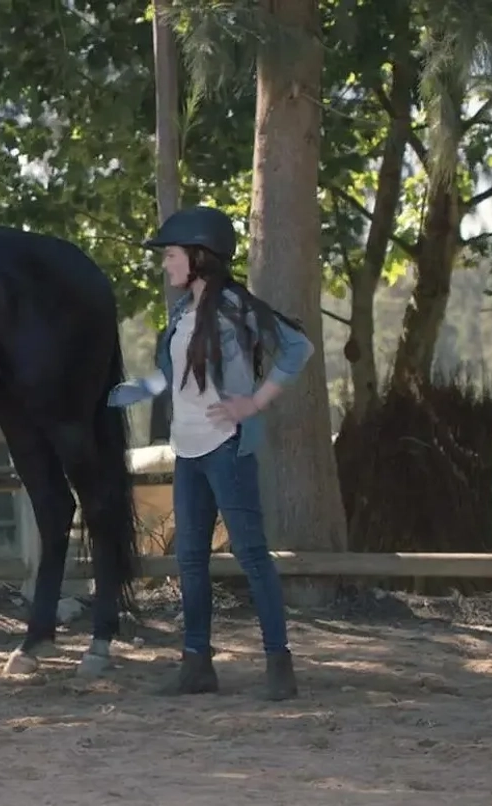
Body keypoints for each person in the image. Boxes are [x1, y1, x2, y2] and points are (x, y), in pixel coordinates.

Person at [106, 206, 314, 701]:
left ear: (199, 257)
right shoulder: (182, 314)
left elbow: (298, 348)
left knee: (251, 555)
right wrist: (134, 390)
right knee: (192, 559)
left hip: (227, 448)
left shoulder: (234, 307)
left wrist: (254, 403)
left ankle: (278, 662)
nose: (166, 264)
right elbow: (172, 375)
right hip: (189, 451)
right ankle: (197, 664)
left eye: (172, 255)